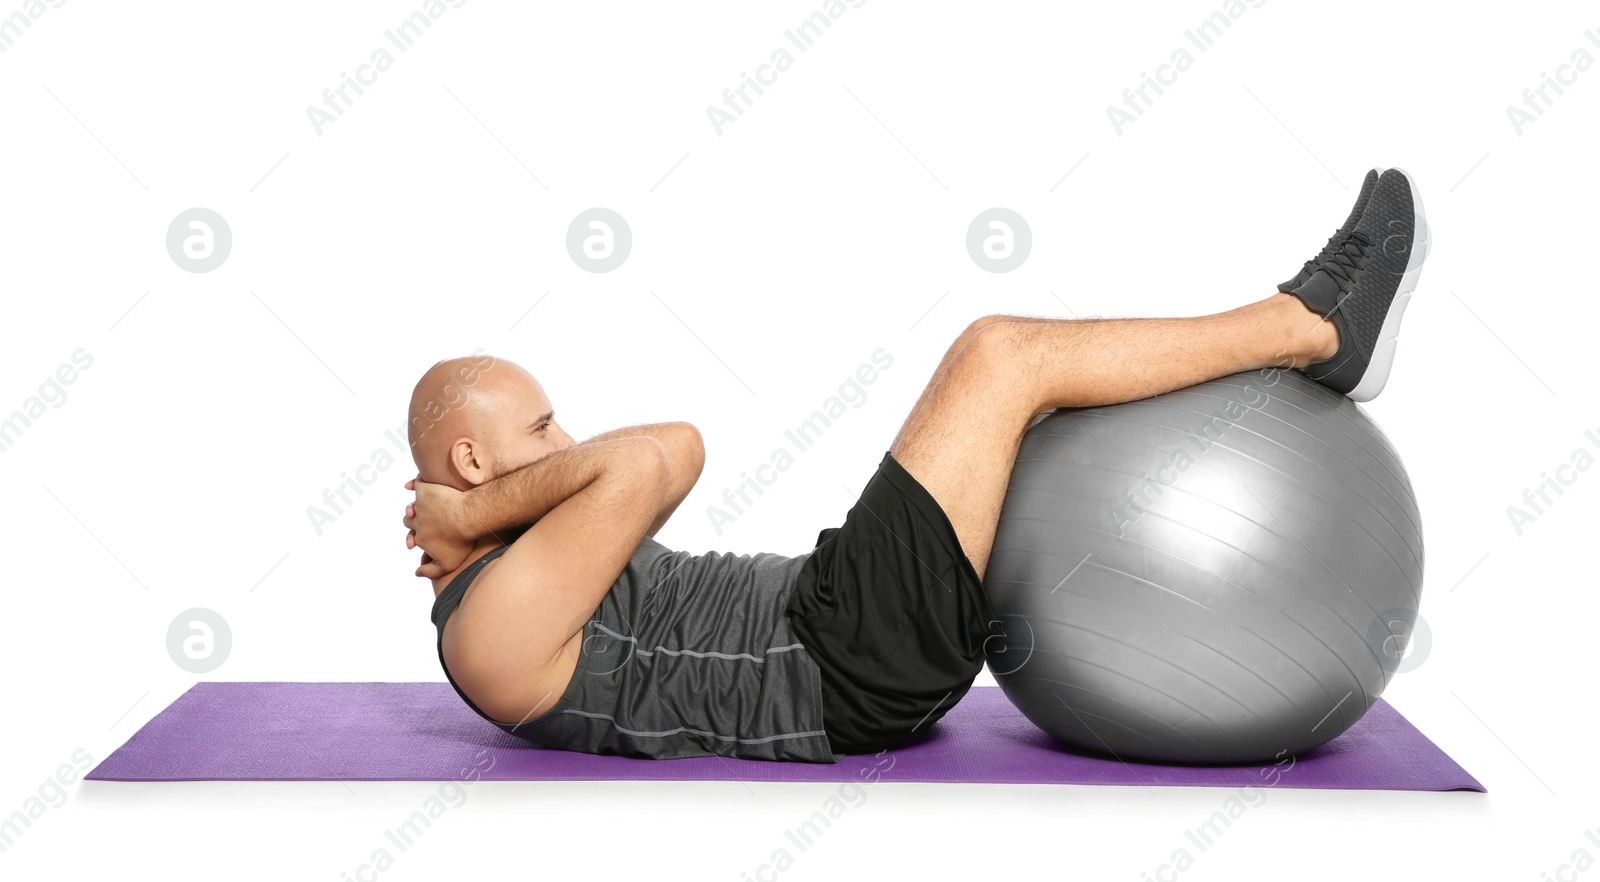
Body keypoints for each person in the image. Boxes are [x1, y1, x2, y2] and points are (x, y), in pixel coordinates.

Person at [404, 167, 1427, 763]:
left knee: (1022, 399)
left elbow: (654, 464)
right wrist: (465, 522)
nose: (563, 445)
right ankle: (1308, 323)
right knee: (999, 357)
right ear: (469, 458)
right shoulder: (489, 629)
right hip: (838, 667)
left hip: (830, 612)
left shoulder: (530, 552)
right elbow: (659, 456)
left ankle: (1304, 325)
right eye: (539, 430)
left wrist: (474, 510)